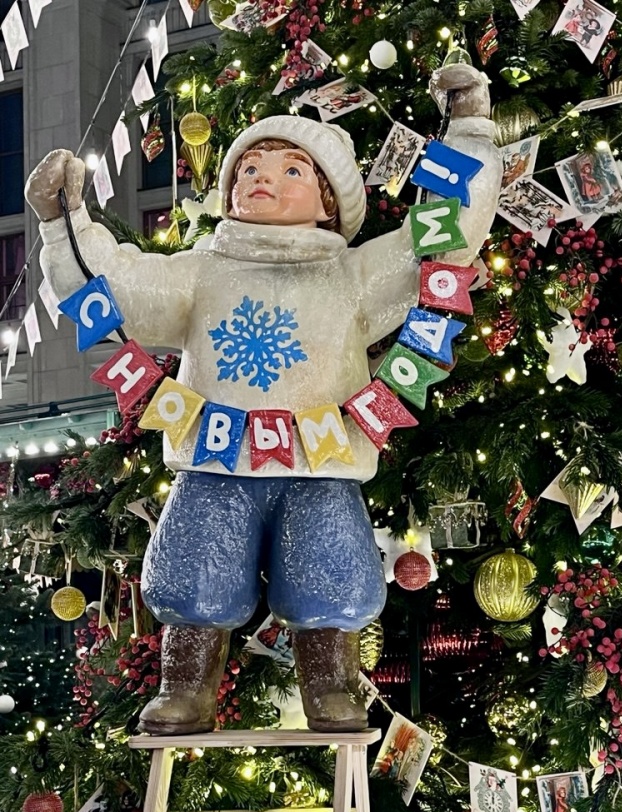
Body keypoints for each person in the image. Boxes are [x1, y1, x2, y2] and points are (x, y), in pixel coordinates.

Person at [25, 64, 502, 736]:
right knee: (194, 570)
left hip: (323, 461)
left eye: (289, 170)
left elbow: (449, 228)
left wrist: (470, 127)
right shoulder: (202, 271)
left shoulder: (355, 274)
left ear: (329, 202)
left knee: (330, 572)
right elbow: (117, 286)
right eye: (248, 168)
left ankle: (331, 685)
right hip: (214, 460)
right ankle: (186, 686)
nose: (260, 178)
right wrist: (62, 221)